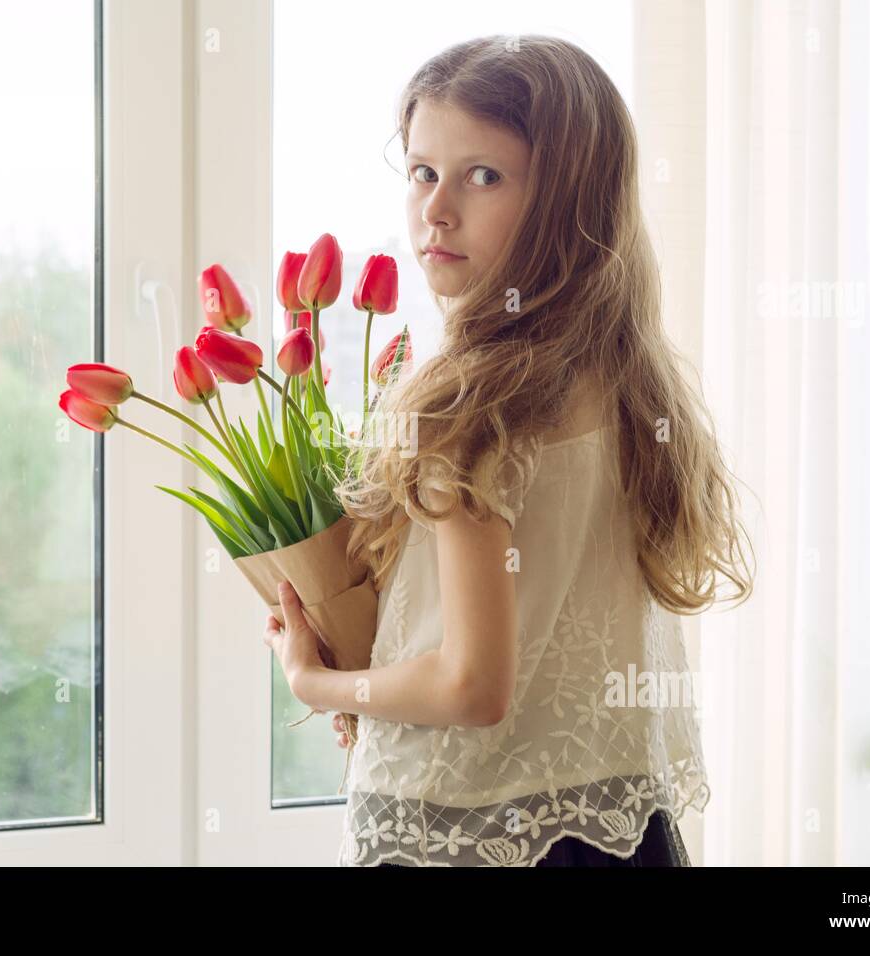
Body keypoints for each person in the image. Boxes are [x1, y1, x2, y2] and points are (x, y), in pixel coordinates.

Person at [262, 34, 755, 867]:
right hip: (620, 832)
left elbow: (472, 686)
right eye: (422, 172)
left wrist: (321, 683)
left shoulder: (467, 402)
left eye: (482, 175)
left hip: (467, 835)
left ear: (568, 199)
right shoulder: (638, 383)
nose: (436, 211)